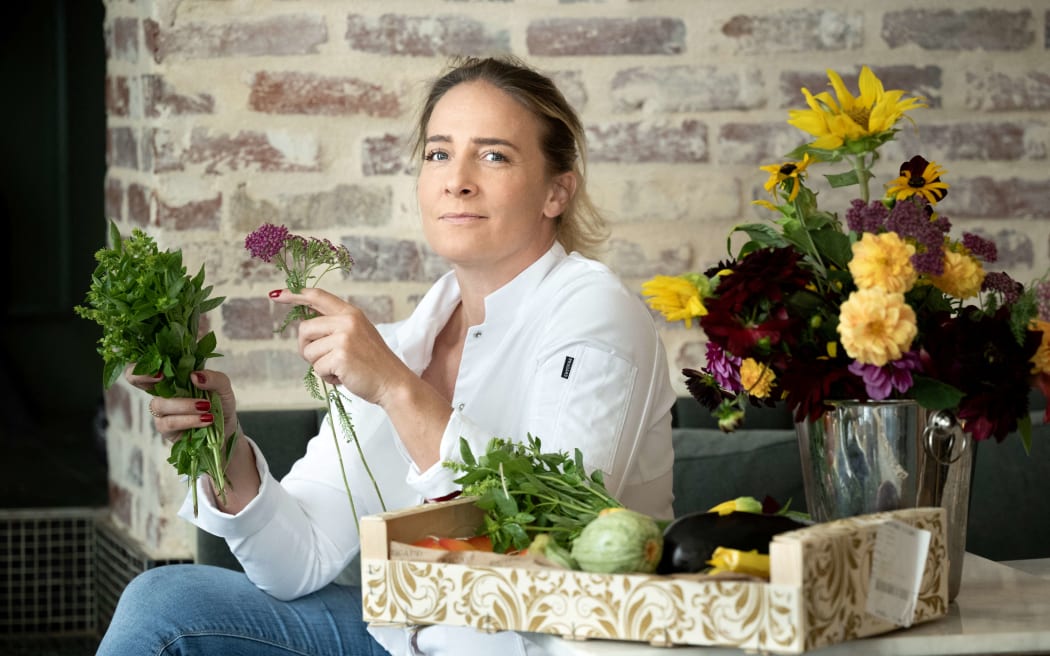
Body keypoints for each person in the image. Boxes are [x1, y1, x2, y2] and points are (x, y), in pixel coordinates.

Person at [96, 55, 676, 656]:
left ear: (557, 190)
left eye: (495, 155)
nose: (458, 179)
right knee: (164, 602)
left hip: (538, 643)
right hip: (405, 638)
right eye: (438, 153)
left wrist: (399, 390)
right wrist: (223, 444)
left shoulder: (594, 314)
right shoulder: (404, 343)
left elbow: (558, 537)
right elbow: (300, 560)